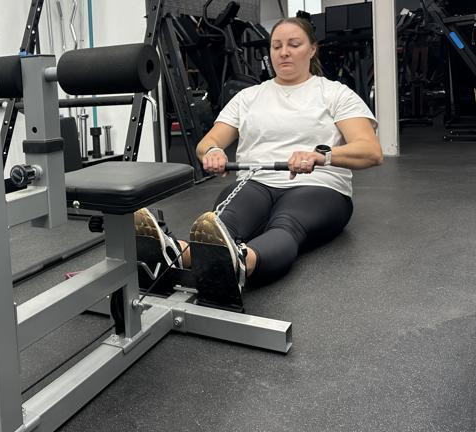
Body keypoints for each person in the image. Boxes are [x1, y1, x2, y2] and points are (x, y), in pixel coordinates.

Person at [135, 17, 383, 291]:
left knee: (286, 224)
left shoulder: (335, 94)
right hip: (256, 182)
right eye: (276, 46)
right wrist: (214, 151)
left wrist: (320, 156)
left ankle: (241, 262)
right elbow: (208, 142)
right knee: (222, 226)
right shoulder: (248, 97)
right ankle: (174, 253)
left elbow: (370, 150)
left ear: (312, 49)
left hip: (318, 186)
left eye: (294, 44)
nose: (284, 52)